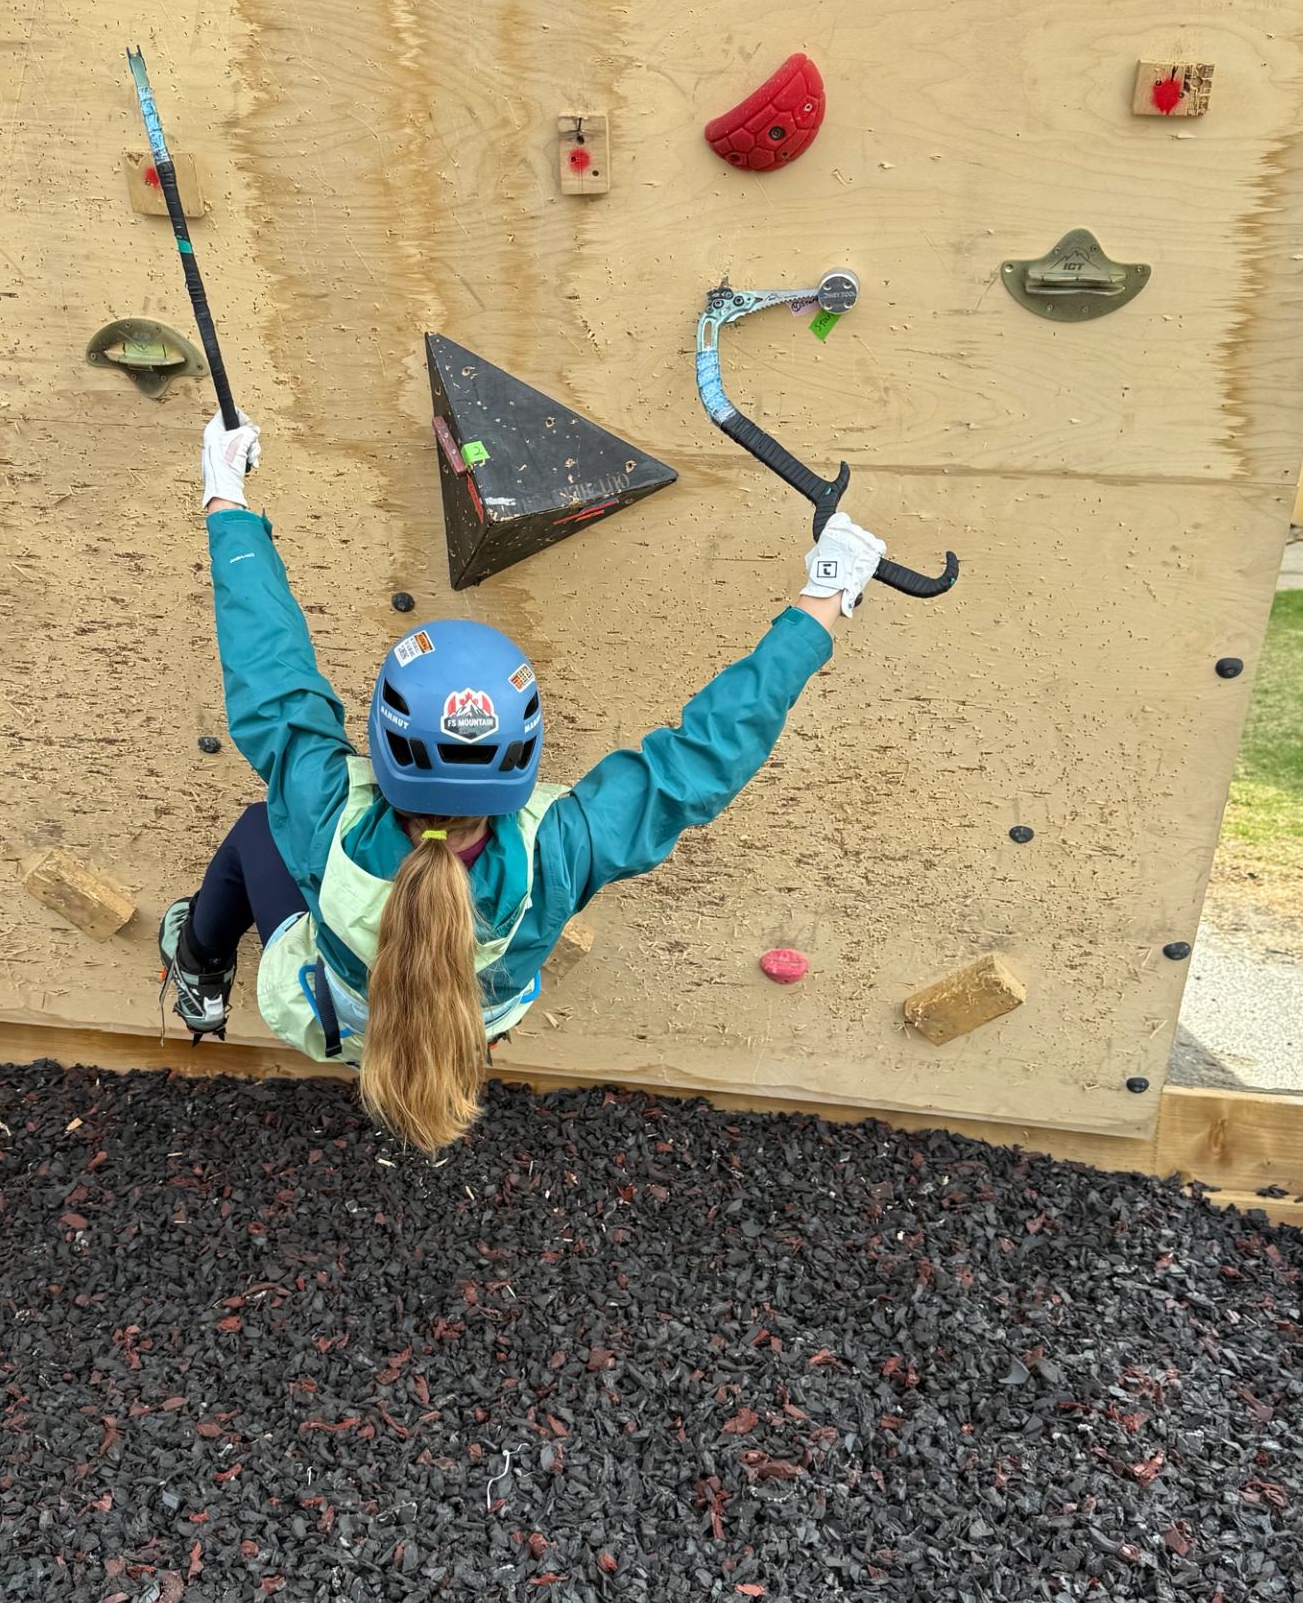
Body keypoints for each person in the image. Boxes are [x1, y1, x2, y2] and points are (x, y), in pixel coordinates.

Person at [162, 407, 888, 1154]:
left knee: (259, 828)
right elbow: (700, 759)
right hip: (472, 1023)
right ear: (525, 755)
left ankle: (201, 971)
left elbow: (271, 676)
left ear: (383, 740)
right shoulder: (562, 847)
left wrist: (227, 495)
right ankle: (460, 1049)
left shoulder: (327, 813)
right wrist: (824, 599)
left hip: (325, 1014)